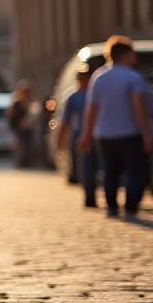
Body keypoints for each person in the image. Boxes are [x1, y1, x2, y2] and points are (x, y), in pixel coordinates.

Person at [80, 35, 150, 219]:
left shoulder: (99, 77)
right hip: (129, 132)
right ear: (126, 55)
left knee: (110, 171)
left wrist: (86, 134)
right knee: (135, 171)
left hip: (104, 134)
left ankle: (112, 206)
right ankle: (130, 206)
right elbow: (139, 108)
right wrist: (146, 134)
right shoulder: (133, 77)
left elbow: (92, 108)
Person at [56, 67, 100, 207]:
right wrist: (61, 142)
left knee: (90, 166)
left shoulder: (77, 96)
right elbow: (66, 121)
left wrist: (60, 142)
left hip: (93, 133)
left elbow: (65, 122)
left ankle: (92, 196)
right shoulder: (75, 96)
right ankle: (90, 196)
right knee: (88, 166)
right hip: (87, 134)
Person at [7, 81, 36, 168]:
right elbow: (11, 116)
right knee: (19, 145)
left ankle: (27, 161)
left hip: (28, 128)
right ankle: (20, 162)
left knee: (28, 145)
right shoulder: (16, 103)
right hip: (18, 128)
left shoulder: (31, 102)